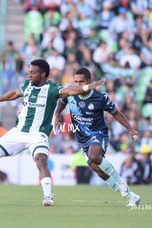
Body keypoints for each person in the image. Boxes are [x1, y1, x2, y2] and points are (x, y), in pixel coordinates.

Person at [0, 59, 104, 207]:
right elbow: (14, 94)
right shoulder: (27, 85)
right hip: (19, 132)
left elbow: (70, 90)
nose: (29, 75)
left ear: (43, 74)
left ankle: (48, 198)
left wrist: (87, 87)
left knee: (41, 159)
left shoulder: (52, 88)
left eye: (33, 73)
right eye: (29, 72)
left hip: (38, 135)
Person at [53, 67, 141, 207]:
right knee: (98, 170)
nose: (78, 85)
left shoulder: (100, 98)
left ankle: (122, 184)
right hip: (82, 139)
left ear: (89, 81)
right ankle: (131, 196)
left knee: (94, 155)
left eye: (81, 82)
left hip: (98, 133)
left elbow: (116, 113)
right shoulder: (70, 93)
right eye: (76, 82)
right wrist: (57, 115)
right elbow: (61, 103)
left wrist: (130, 129)